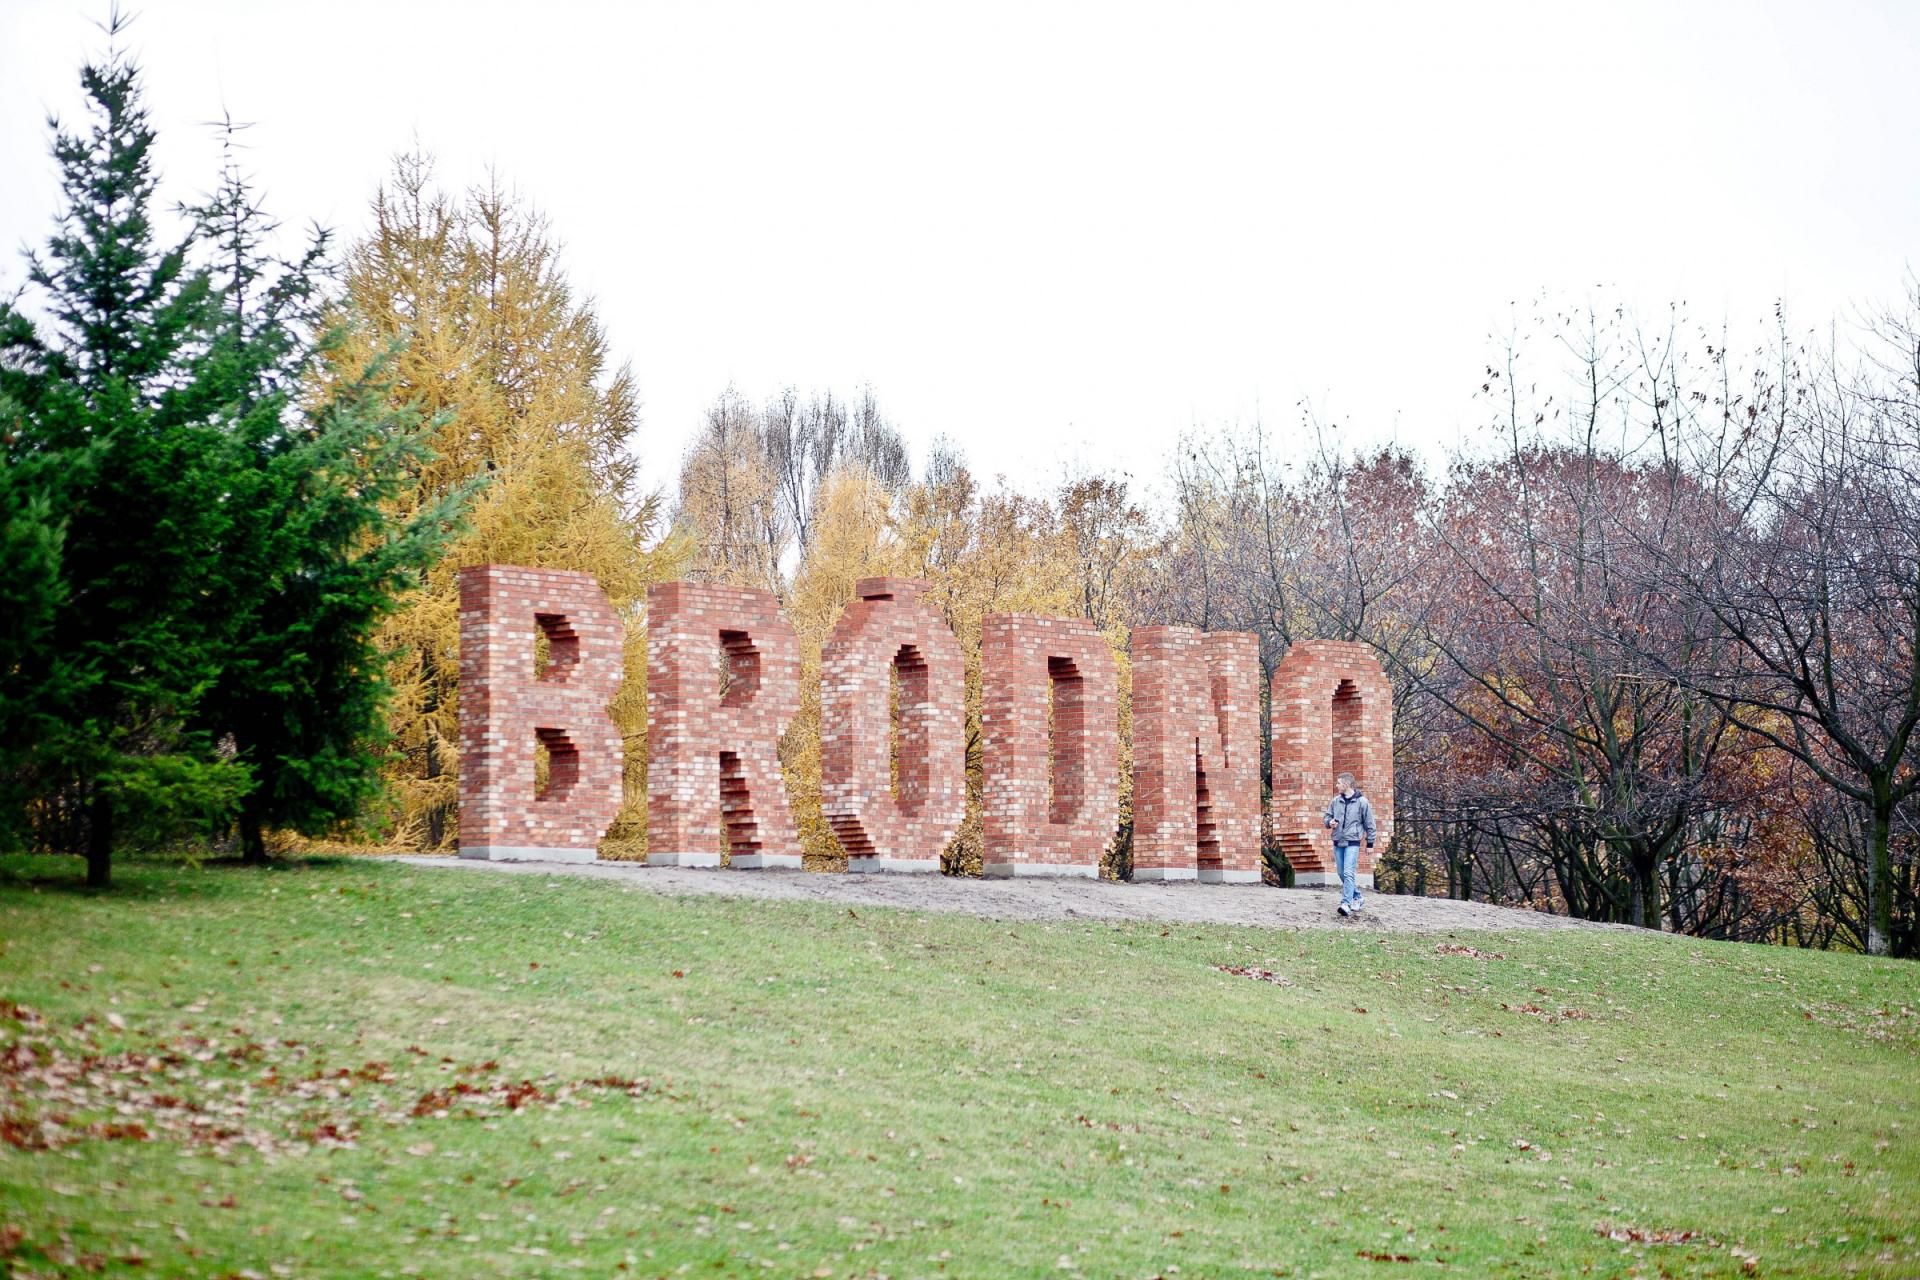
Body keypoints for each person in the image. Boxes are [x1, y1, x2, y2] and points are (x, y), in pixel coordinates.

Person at [1323, 772, 1375, 917]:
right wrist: (1329, 822)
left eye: (1338, 783)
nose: (1337, 785)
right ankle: (1357, 896)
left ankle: (1345, 903)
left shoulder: (1362, 802)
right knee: (1341, 873)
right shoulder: (1335, 801)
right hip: (1338, 840)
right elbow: (1327, 817)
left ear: (1346, 784)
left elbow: (1370, 824)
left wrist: (1370, 843)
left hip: (1353, 842)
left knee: (1348, 872)